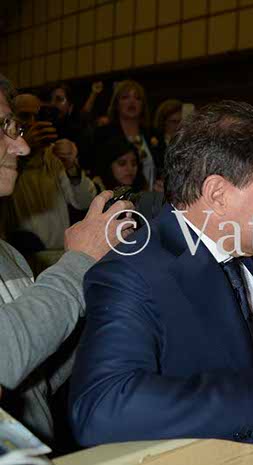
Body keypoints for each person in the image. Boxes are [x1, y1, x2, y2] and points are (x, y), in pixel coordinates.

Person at [69, 100, 253, 447]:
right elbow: (101, 408)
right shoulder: (131, 272)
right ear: (217, 194)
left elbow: (234, 359)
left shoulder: (249, 251)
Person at [0, 73, 136, 444]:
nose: (21, 146)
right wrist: (80, 262)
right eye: (5, 126)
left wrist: (110, 302)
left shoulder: (9, 256)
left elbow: (37, 374)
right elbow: (5, 356)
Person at [4, 93, 96, 252]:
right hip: (20, 254)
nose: (33, 122)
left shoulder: (54, 154)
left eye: (37, 116)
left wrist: (71, 167)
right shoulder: (6, 157)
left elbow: (84, 202)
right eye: (25, 116)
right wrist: (25, 153)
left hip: (59, 254)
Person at [85, 80, 164, 187]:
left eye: (137, 98)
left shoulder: (154, 134)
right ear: (116, 104)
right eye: (125, 97)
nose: (132, 102)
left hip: (153, 195)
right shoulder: (103, 134)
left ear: (143, 105)